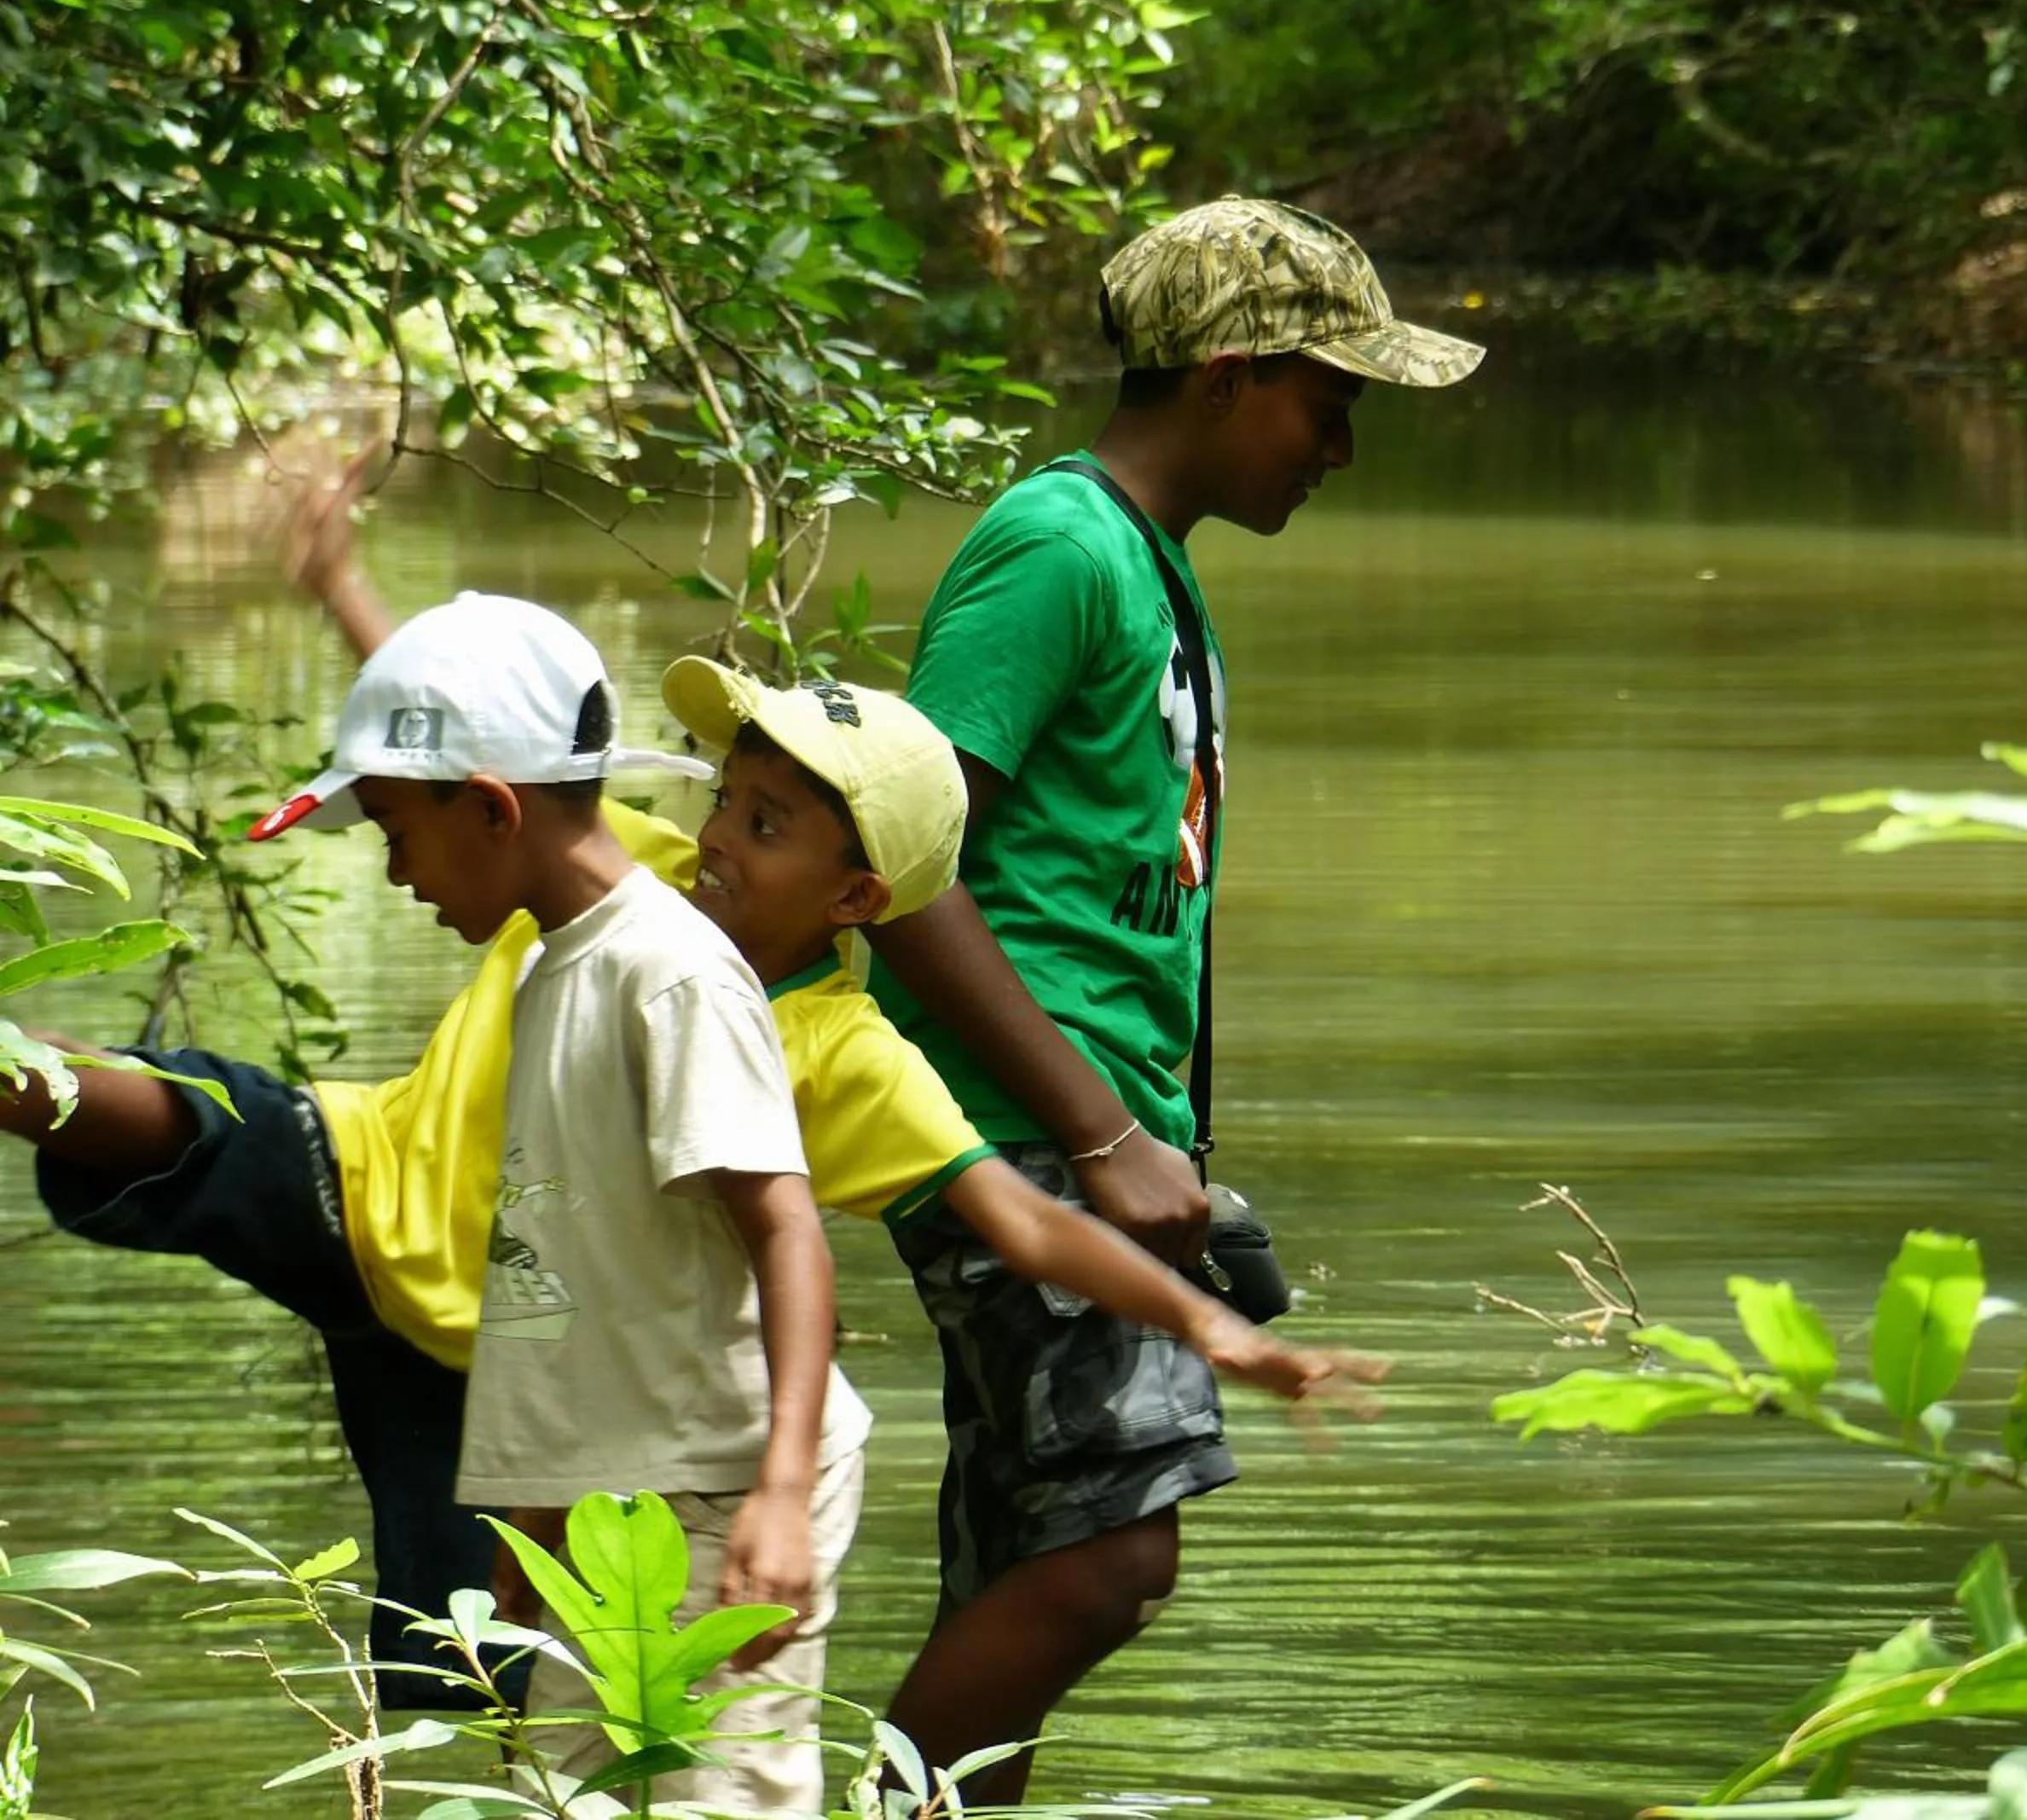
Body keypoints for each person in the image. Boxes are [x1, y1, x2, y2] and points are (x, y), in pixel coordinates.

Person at [3, 465, 1378, 1746]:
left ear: (860, 900)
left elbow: (1020, 1223)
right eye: (733, 797)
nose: (723, 834)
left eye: (771, 827)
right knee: (163, 1113)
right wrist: (351, 595)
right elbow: (483, 763)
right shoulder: (633, 872)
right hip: (368, 1185)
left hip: (499, 1373)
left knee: (465, 1697)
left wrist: (1218, 1334)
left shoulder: (845, 1054)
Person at [864, 194, 1482, 1800]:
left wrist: (1163, 1143)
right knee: (1113, 1562)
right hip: (1022, 1138)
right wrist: (1104, 1131)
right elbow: (897, 865)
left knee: (1023, 1563)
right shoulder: (1054, 549)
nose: (1339, 449)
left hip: (1082, 1138)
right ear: (1222, 376)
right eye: (1326, 402)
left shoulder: (1155, 569)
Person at [247, 589, 859, 1811]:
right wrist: (548, 1494)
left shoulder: (669, 976)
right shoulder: (545, 967)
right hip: (613, 1495)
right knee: (569, 1794)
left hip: (728, 1479)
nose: (394, 871)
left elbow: (785, 1229)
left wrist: (781, 1496)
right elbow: (579, 1251)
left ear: (490, 807)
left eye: (395, 833)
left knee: (721, 1796)